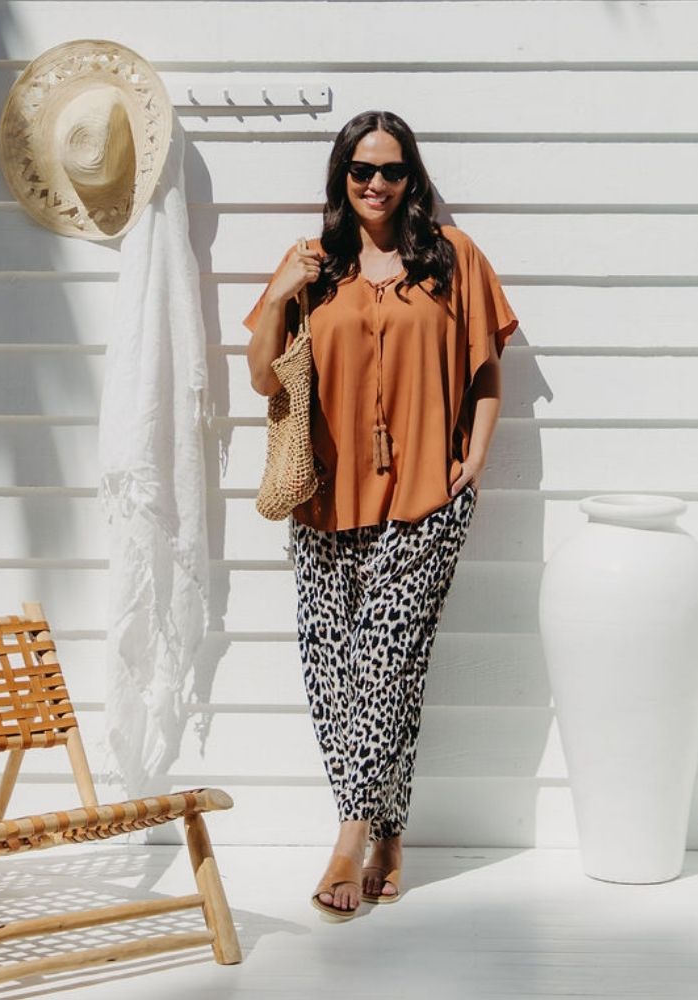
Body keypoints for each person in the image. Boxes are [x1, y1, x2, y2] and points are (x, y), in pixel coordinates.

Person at [243, 110, 518, 920]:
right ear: (342, 177)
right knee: (335, 678)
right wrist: (284, 297)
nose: (375, 184)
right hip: (328, 503)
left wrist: (476, 458)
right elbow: (265, 377)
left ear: (412, 178)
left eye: (391, 170)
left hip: (428, 498)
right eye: (361, 170)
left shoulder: (452, 258)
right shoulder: (312, 265)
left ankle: (349, 834)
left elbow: (488, 369)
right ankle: (393, 831)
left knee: (387, 663)